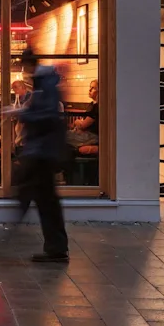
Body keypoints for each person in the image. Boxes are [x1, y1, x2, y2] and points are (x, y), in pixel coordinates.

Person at [10, 47, 70, 263]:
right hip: (43, 151)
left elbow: (45, 116)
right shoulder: (45, 83)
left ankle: (52, 246)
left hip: (42, 152)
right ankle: (55, 246)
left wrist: (21, 113)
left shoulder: (44, 85)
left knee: (42, 198)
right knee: (45, 199)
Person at [67, 79, 98, 149]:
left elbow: (83, 126)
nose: (89, 90)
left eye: (93, 88)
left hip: (92, 136)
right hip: (86, 133)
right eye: (90, 87)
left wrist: (76, 121)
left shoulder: (97, 107)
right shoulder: (92, 104)